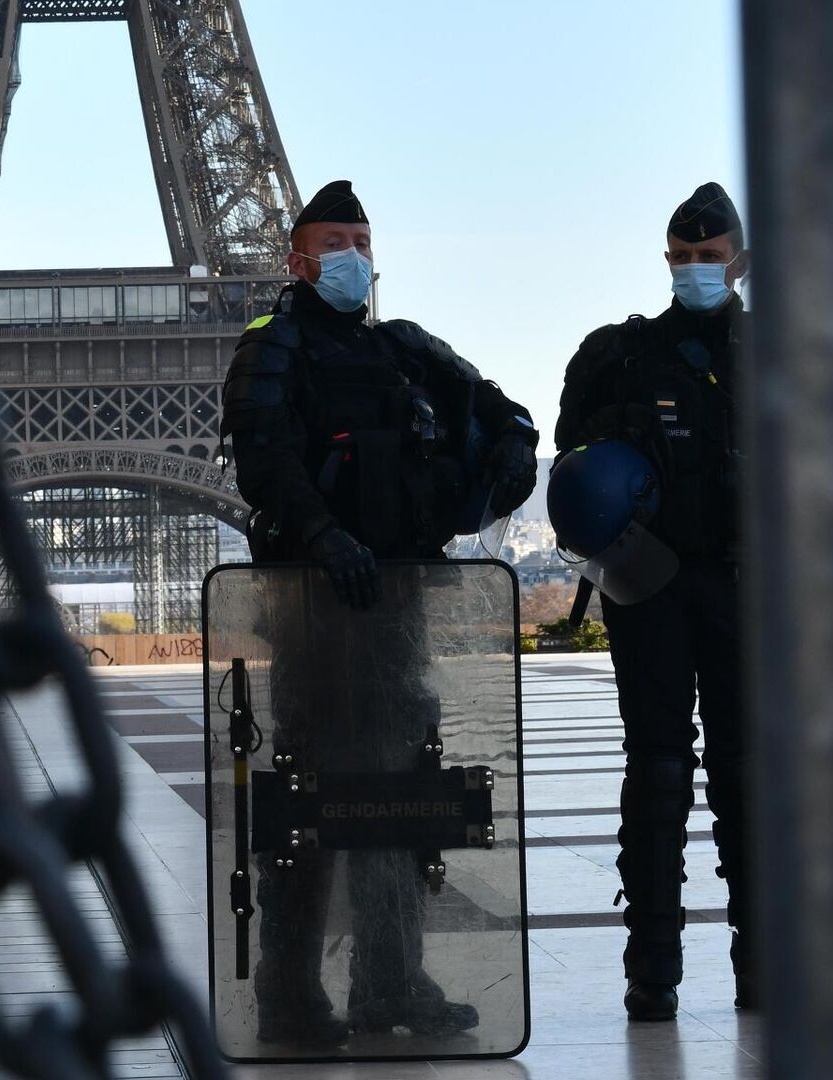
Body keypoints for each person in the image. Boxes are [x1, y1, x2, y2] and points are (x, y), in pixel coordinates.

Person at [220, 179, 539, 1044]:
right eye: (334, 242)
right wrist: (324, 538)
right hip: (315, 610)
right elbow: (265, 460)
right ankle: (290, 995)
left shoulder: (401, 348)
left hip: (397, 604)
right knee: (309, 798)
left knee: (404, 789)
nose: (352, 256)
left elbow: (498, 405)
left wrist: (513, 444)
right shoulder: (271, 347)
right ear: (297, 259)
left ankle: (392, 984)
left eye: (361, 239)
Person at [552, 181, 754, 1022]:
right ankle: (653, 967)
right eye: (685, 258)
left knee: (749, 773)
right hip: (653, 588)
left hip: (749, 586)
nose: (697, 270)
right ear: (667, 260)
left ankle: (767, 959)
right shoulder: (620, 357)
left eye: (711, 258)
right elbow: (571, 465)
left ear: (738, 261)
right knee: (659, 770)